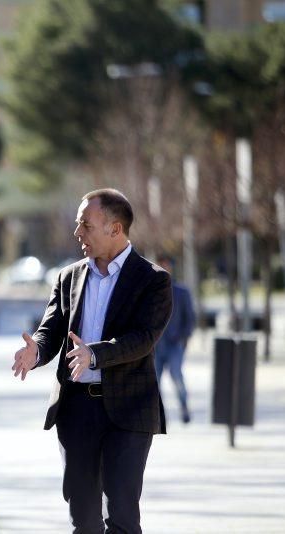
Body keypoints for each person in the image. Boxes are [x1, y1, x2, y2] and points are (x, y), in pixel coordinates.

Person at [11, 188, 172, 534]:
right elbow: (51, 331)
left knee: (123, 517)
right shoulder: (68, 277)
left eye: (85, 225)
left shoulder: (153, 280)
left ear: (115, 229)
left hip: (128, 411)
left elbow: (142, 339)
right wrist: (35, 351)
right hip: (76, 412)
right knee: (83, 519)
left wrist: (94, 354)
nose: (77, 233)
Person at [155, 255, 196, 424]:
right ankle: (159, 415)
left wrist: (182, 338)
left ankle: (184, 406)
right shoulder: (151, 291)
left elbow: (190, 320)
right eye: (161, 265)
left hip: (174, 345)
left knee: (177, 376)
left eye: (167, 265)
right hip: (155, 346)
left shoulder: (181, 292)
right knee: (154, 382)